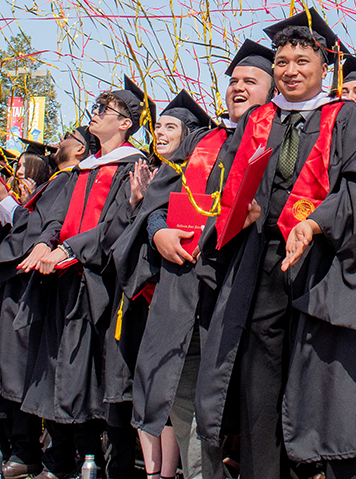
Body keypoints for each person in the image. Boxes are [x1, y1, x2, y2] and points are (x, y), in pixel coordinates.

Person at [198, 8, 356, 479]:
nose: (290, 70)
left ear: (325, 67)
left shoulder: (350, 118)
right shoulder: (257, 120)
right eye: (282, 62)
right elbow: (226, 186)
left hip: (323, 263)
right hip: (262, 262)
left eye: (302, 61)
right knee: (260, 375)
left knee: (319, 377)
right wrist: (240, 212)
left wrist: (315, 223)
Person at [132, 39, 274, 479]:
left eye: (250, 81)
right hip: (192, 292)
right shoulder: (205, 142)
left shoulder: (284, 136)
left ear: (272, 93)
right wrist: (159, 233)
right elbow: (156, 205)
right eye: (233, 80)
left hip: (257, 297)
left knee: (254, 414)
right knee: (189, 403)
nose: (237, 87)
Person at [19, 78, 152, 479]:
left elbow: (117, 225)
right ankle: (58, 462)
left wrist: (70, 250)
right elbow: (56, 215)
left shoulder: (134, 166)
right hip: (61, 281)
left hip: (100, 286)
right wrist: (44, 243)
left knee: (102, 378)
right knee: (58, 368)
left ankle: (110, 467)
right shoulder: (82, 169)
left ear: (126, 123)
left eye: (104, 110)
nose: (94, 114)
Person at [113, 89, 212, 479]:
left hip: (203, 297)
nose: (160, 133)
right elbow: (154, 218)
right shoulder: (164, 175)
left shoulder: (205, 164)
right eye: (159, 126)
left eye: (171, 126)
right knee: (170, 395)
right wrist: (151, 221)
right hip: (164, 304)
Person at [0, 130, 85, 479]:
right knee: (17, 371)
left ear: (80, 148)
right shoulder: (55, 182)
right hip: (21, 289)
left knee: (40, 374)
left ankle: (48, 456)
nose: (58, 140)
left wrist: (5, 204)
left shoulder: (73, 181)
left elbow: (44, 230)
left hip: (47, 292)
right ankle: (24, 451)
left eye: (67, 136)